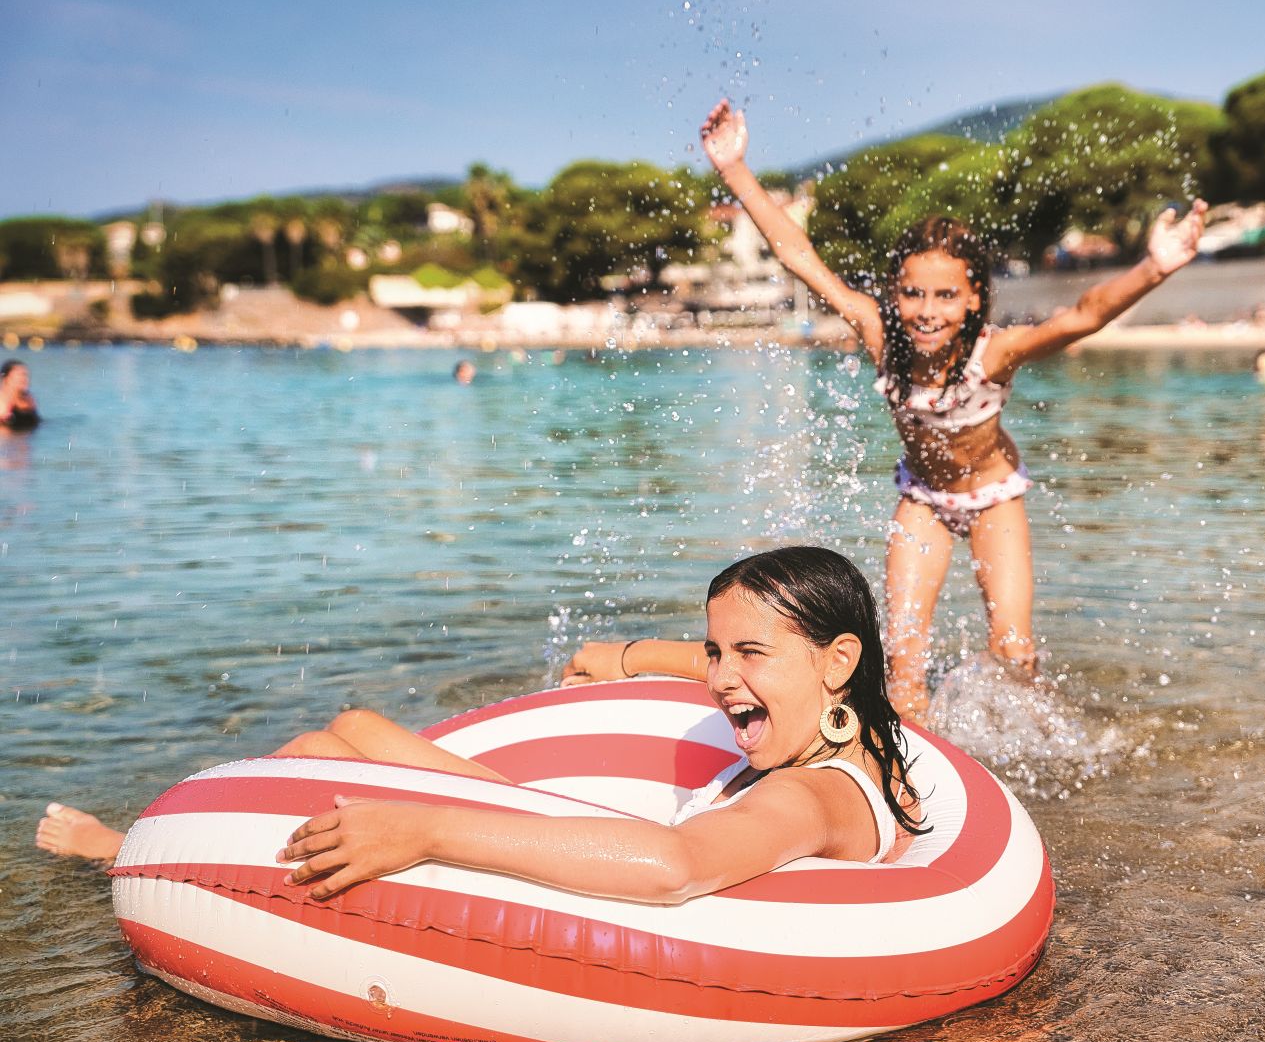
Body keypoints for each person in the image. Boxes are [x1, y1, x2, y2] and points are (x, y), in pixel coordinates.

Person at [38, 546, 926, 901]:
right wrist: (623, 656)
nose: (720, 677)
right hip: (607, 826)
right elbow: (723, 666)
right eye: (713, 650)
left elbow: (675, 866)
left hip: (622, 872)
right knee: (354, 725)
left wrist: (424, 831)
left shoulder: (812, 795)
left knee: (316, 753)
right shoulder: (826, 717)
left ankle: (138, 852)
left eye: (747, 654)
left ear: (837, 661)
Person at [699, 99, 1206, 719]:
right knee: (902, 661)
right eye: (912, 293)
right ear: (894, 293)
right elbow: (799, 257)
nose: (927, 311)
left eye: (946, 295)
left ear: (972, 300)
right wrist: (734, 169)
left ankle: (1032, 741)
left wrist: (1155, 268)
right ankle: (913, 760)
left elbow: (1083, 315)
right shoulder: (880, 337)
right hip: (923, 499)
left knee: (1014, 653)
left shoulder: (994, 354)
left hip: (994, 499)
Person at [1, 359, 41, 430]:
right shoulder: (2, 401)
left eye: (26, 375)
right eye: (19, 375)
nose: (25, 379)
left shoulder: (28, 398)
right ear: (6, 378)